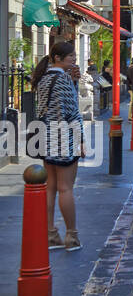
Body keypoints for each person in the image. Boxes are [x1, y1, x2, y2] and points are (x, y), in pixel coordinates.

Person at [33, 41, 85, 251]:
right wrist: (81, 138)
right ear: (57, 57)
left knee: (50, 188)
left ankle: (50, 234)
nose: (73, 59)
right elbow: (72, 112)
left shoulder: (43, 79)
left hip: (46, 136)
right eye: (70, 56)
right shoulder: (62, 79)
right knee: (66, 188)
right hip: (64, 137)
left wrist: (73, 82)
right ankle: (71, 236)